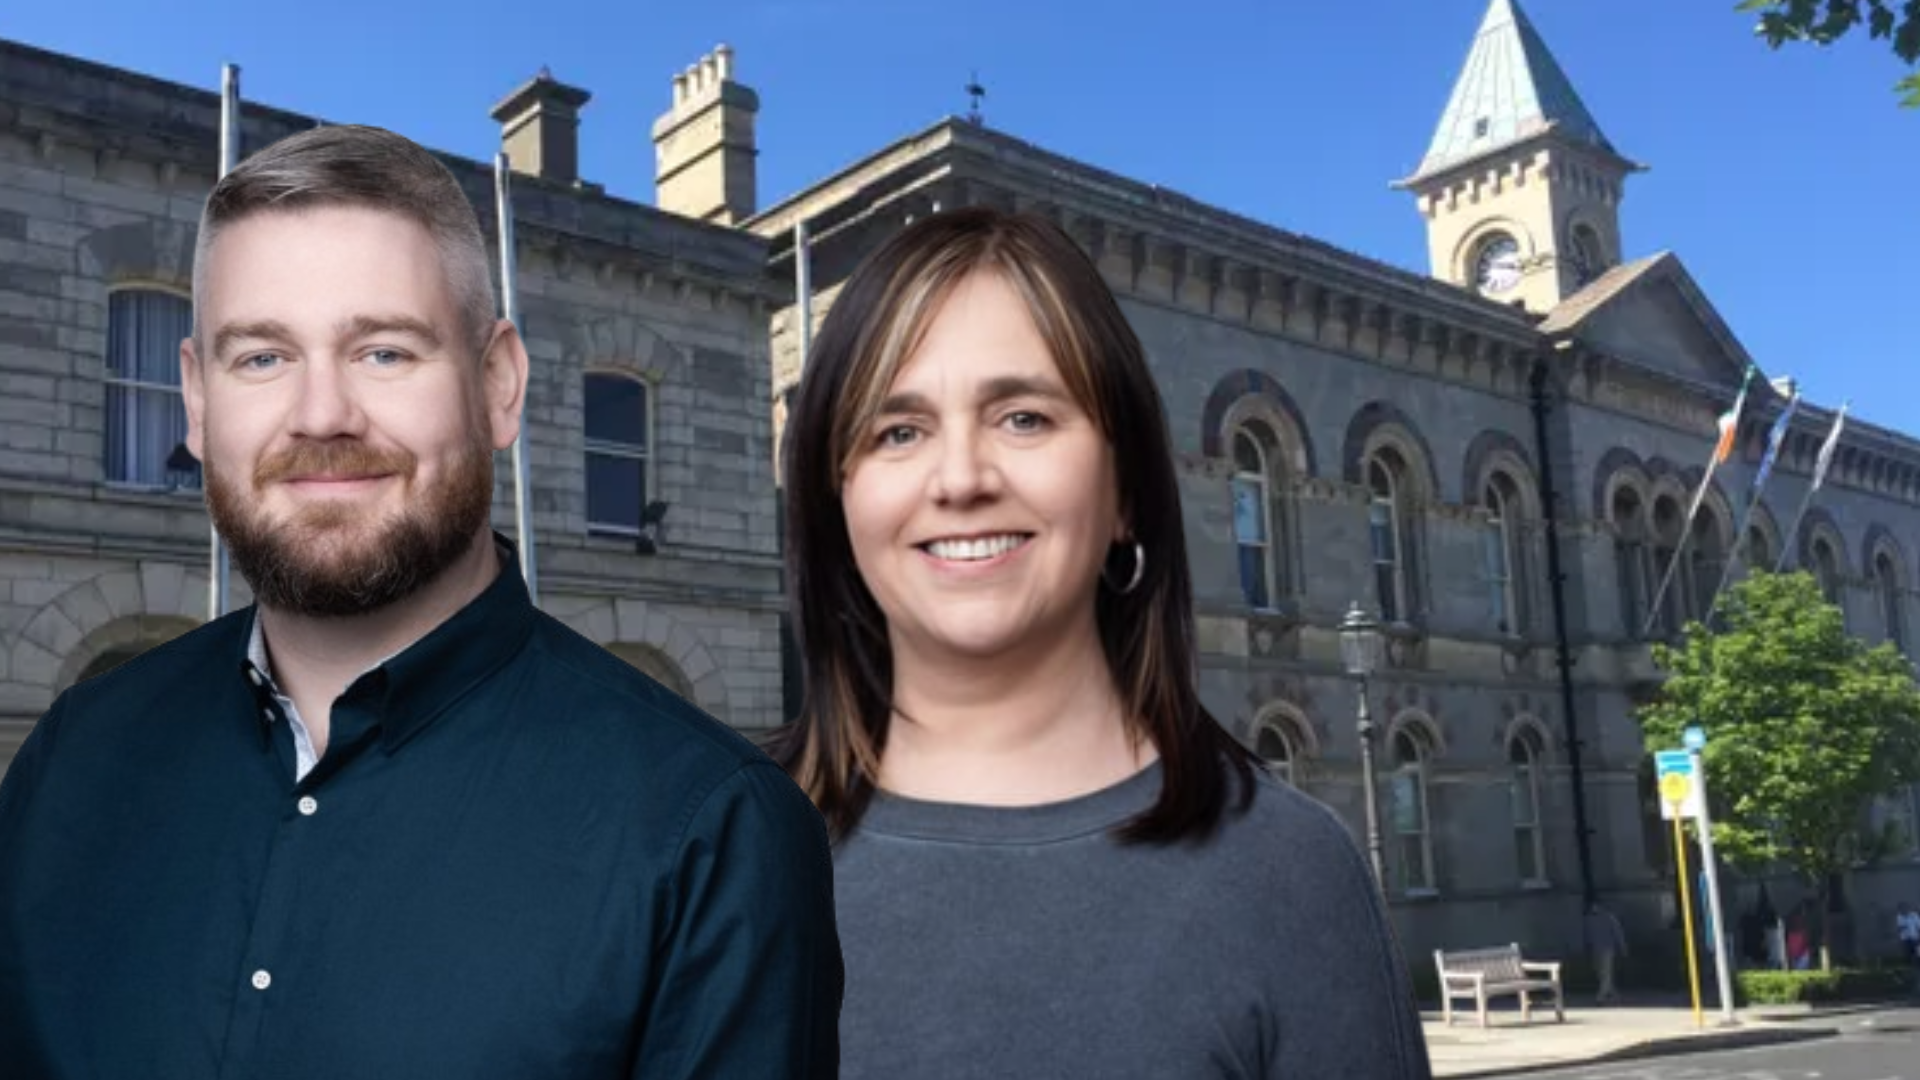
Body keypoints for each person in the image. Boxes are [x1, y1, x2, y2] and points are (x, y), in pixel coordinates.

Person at [0, 124, 841, 1078]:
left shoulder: (714, 836)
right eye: (263, 359)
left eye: (385, 353)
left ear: (498, 385)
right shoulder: (70, 763)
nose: (321, 416)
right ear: (196, 401)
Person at [770, 206, 1431, 1078]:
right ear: (838, 500)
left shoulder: (1292, 875)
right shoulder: (718, 862)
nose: (962, 478)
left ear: (1124, 489)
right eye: (899, 431)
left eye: (1025, 418)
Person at [1583, 900, 1629, 1004]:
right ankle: (1613, 994)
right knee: (1600, 973)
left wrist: (1623, 948)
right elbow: (1587, 936)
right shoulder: (1590, 920)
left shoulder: (1609, 918)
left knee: (1605, 973)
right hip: (1597, 949)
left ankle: (1600, 997)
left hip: (1607, 949)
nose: (1594, 909)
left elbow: (1618, 933)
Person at [1896, 900, 1920, 967]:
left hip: (1915, 937)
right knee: (1908, 953)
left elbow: (1918, 926)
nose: (1902, 910)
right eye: (1901, 909)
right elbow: (1899, 928)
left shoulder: (1914, 915)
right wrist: (1902, 927)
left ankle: (1917, 965)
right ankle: (1910, 966)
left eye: (1904, 908)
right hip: (1905, 938)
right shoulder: (1899, 917)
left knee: (1917, 952)